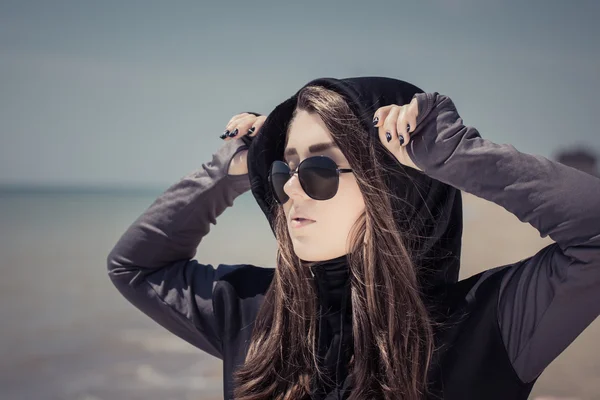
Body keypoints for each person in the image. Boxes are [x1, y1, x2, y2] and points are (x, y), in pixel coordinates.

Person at [106, 77, 600, 400]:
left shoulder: (487, 326)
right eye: (282, 169)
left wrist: (455, 155)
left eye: (319, 168)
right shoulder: (253, 312)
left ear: (395, 182)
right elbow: (133, 267)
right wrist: (230, 169)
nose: (291, 189)